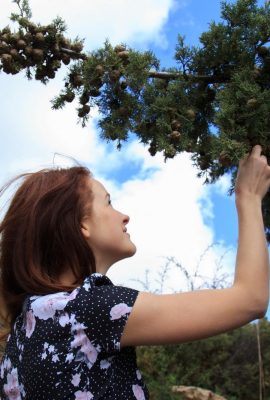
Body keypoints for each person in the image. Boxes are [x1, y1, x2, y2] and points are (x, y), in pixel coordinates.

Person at [0, 144, 269, 400]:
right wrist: (248, 196)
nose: (124, 216)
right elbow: (250, 299)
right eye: (108, 203)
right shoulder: (87, 311)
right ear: (82, 225)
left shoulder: (19, 338)